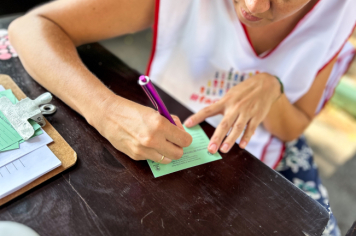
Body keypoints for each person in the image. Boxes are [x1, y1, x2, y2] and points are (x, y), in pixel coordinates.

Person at [8, 0, 356, 235]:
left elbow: (294, 125)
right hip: (160, 155)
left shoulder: (339, 15)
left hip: (255, 171)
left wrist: (272, 88)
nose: (253, 6)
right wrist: (105, 110)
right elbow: (31, 28)